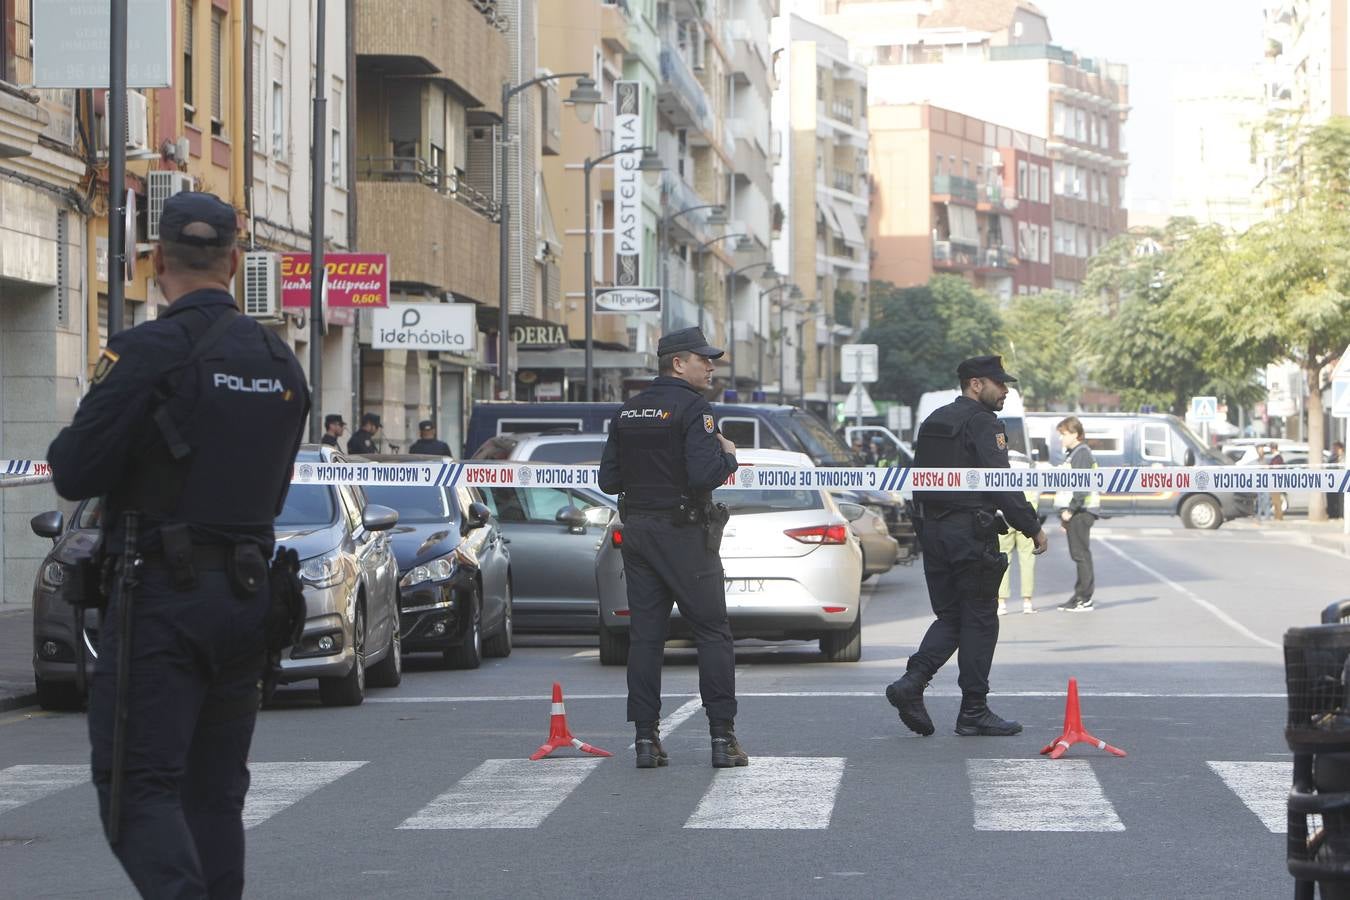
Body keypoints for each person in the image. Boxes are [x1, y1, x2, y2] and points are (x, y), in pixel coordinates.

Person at [47, 191, 309, 898]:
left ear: (155, 258)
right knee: (215, 793)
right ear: (235, 259)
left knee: (135, 787)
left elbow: (75, 472)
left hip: (163, 596)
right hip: (251, 596)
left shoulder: (144, 352)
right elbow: (273, 488)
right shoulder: (280, 362)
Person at [598, 326, 746, 769]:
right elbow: (705, 475)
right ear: (679, 363)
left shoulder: (628, 411)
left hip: (639, 532)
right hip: (683, 534)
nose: (712, 367)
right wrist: (729, 456)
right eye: (705, 360)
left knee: (646, 637)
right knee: (712, 632)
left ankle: (646, 739)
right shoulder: (694, 408)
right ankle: (722, 738)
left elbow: (608, 480)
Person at [884, 356, 1047, 738]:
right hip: (969, 534)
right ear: (976, 384)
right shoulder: (983, 423)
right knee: (979, 618)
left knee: (952, 617)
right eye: (999, 383)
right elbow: (1000, 483)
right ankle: (973, 709)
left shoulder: (934, 421)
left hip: (933, 530)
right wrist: (1031, 526)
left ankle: (912, 682)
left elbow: (920, 479)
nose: (1005, 390)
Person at [1054, 416, 1101, 612]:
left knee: (1081, 555)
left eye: (1063, 434)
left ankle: (1085, 598)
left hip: (1081, 511)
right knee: (1079, 555)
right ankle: (1079, 595)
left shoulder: (1081, 453)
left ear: (1074, 433)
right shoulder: (1075, 453)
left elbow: (1081, 486)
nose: (1061, 439)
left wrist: (1070, 510)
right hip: (1076, 512)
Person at [997, 488, 1042, 616]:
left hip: (1004, 516)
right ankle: (1027, 602)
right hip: (1026, 517)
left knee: (1003, 557)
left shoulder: (1004, 467)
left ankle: (1001, 603)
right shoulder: (1032, 467)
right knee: (1027, 558)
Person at [1269, 443, 1287, 521]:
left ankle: (1279, 516)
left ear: (1273, 449)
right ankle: (1277, 516)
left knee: (1276, 500)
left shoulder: (1277, 458)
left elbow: (1275, 469)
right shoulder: (1278, 457)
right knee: (1275, 500)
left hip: (1276, 481)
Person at [1329, 441, 1346, 520]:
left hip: (1343, 480)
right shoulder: (1332, 457)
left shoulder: (1345, 457)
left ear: (1341, 449)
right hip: (1333, 481)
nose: (1334, 449)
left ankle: (1342, 515)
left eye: (1336, 448)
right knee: (1333, 499)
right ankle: (1333, 514)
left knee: (1342, 499)